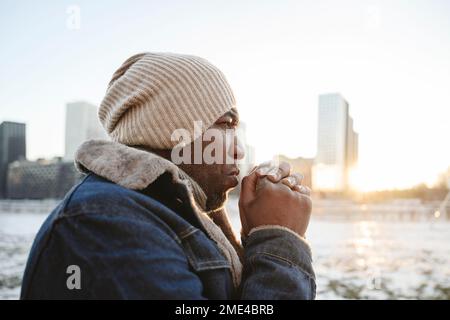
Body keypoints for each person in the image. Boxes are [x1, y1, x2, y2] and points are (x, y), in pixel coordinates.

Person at [20, 52, 315, 299]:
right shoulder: (103, 222)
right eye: (226, 125)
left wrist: (256, 238)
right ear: (171, 129)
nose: (238, 150)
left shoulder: (157, 214)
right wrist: (278, 240)